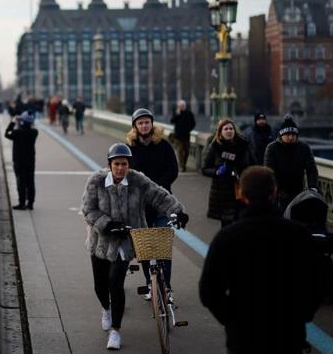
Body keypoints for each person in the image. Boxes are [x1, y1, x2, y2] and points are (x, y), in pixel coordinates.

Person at [199, 166, 323, 354]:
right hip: (288, 331)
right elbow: (317, 281)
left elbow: (208, 290)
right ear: (274, 192)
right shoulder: (299, 234)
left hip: (243, 334)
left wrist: (232, 319)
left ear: (241, 193)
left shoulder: (227, 237)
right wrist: (302, 314)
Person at [81, 143, 188, 350]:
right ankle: (106, 308)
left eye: (124, 164)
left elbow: (159, 195)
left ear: (129, 164)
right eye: (117, 164)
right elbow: (87, 210)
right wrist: (108, 224)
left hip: (128, 240)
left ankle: (115, 331)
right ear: (110, 164)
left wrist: (178, 211)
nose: (121, 168)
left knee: (115, 283)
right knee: (100, 286)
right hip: (101, 241)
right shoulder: (96, 181)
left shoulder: (138, 180)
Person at [125, 108, 179, 299]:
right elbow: (126, 173)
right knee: (145, 247)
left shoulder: (163, 145)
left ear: (152, 124)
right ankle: (150, 283)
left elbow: (173, 169)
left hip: (162, 202)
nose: (144, 125)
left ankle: (167, 288)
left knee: (163, 247)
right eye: (140, 123)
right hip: (140, 205)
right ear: (135, 126)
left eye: (147, 122)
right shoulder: (129, 148)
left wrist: (157, 187)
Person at [202, 118, 253, 228]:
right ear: (220, 132)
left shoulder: (244, 146)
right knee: (227, 224)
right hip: (222, 192)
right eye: (226, 129)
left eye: (231, 128)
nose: (229, 131)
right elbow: (205, 169)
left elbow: (254, 164)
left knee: (243, 222)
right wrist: (217, 172)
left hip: (241, 188)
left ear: (235, 130)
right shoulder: (215, 147)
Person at [264, 114, 318, 211]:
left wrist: (313, 187)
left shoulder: (304, 147)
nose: (290, 137)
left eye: (293, 135)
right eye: (288, 135)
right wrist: (273, 190)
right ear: (281, 135)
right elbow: (269, 171)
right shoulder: (272, 148)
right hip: (279, 193)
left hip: (299, 192)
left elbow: (311, 169)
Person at [5, 112, 38, 210]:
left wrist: (13, 123)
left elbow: (7, 133)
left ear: (22, 122)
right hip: (30, 161)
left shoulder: (17, 133)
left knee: (21, 183)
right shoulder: (34, 132)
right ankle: (30, 203)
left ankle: (22, 203)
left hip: (19, 161)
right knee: (30, 182)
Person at [170, 100, 196, 172]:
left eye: (183, 106)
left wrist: (189, 129)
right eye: (180, 106)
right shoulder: (176, 113)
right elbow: (172, 121)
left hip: (186, 135)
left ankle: (184, 164)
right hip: (178, 136)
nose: (181, 107)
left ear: (185, 106)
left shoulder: (189, 113)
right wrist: (177, 114)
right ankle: (182, 166)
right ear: (178, 106)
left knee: (187, 151)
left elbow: (193, 123)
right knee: (180, 151)